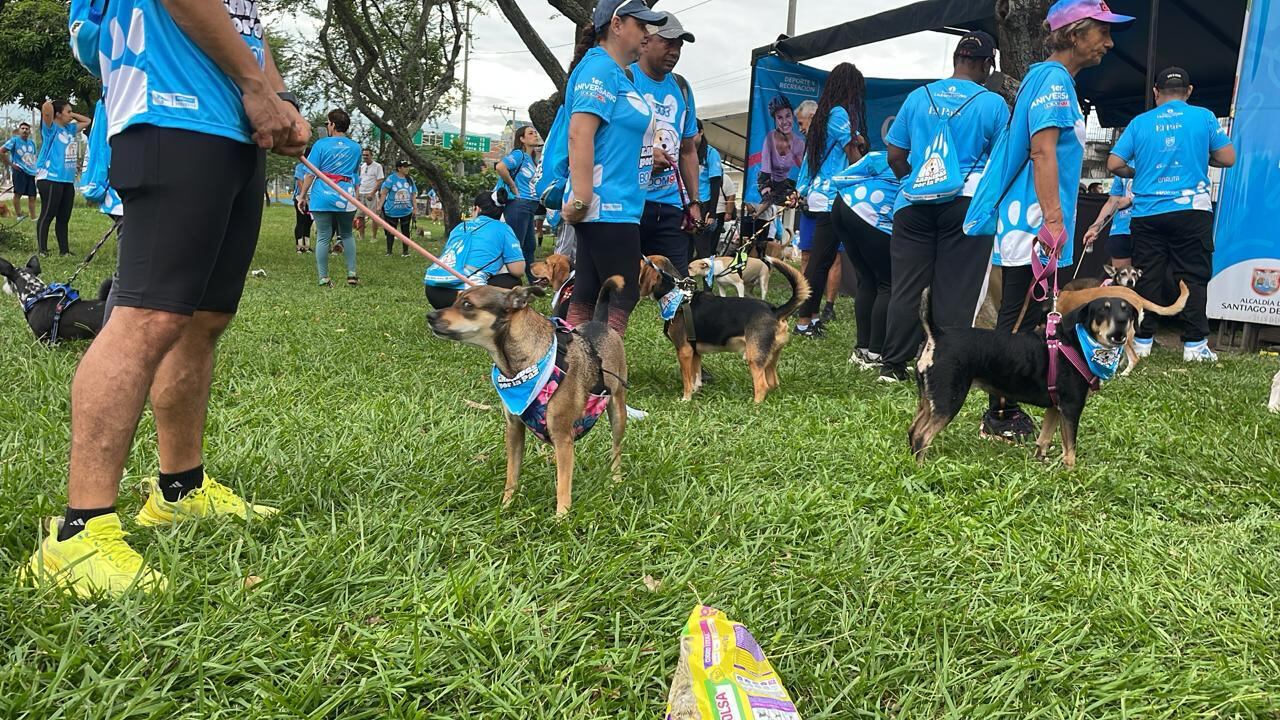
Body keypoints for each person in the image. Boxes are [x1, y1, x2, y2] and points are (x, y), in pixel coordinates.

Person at [25, 0, 306, 598]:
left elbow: (247, 25)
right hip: (170, 112)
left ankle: (180, 489)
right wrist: (256, 87)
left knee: (204, 318)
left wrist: (280, 100)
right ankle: (78, 536)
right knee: (145, 316)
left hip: (232, 128)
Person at [976, 1, 1133, 438]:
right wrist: (1054, 220)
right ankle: (1000, 413)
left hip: (1031, 221)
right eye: (1102, 31)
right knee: (1018, 320)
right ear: (1075, 34)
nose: (1109, 43)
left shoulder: (1048, 79)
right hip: (1033, 223)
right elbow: (1042, 150)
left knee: (1022, 316)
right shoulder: (1054, 80)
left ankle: (1005, 408)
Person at [878, 32, 1010, 379]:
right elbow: (1001, 161)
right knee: (957, 288)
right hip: (965, 204)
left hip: (912, 204)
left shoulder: (918, 97)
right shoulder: (993, 104)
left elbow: (895, 155)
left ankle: (893, 364)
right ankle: (944, 364)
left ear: (955, 60)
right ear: (987, 64)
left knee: (907, 286)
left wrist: (912, 182)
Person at [1109, 66, 1234, 362]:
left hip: (1147, 212)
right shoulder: (1204, 117)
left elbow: (1114, 163)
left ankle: (1142, 340)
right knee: (1193, 275)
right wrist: (1203, 158)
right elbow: (1228, 158)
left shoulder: (1140, 122)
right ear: (1188, 92)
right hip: (1191, 210)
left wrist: (1136, 172)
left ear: (1156, 93)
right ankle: (1195, 345)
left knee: (1147, 275)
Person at [559, 0, 664, 335]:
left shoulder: (616, 74)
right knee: (623, 293)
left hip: (616, 204)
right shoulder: (600, 68)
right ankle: (604, 365)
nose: (647, 34)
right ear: (616, 25)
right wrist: (582, 197)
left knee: (588, 292)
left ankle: (573, 360)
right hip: (607, 205)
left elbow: (610, 136)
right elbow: (579, 133)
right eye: (641, 25)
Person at [791, 62, 868, 338]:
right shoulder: (838, 114)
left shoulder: (825, 116)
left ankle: (811, 319)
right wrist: (868, 172)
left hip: (820, 196)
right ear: (848, 87)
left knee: (820, 261)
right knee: (819, 262)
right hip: (830, 197)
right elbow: (852, 155)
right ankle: (803, 322)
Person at [631, 11, 701, 275]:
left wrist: (694, 203)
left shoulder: (682, 88)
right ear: (645, 40)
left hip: (671, 207)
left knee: (678, 287)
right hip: (629, 203)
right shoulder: (625, 79)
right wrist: (645, 158)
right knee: (623, 285)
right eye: (668, 43)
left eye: (679, 46)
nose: (675, 51)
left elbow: (688, 150)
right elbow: (603, 144)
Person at [831, 149, 900, 367]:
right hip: (871, 209)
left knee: (866, 279)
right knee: (888, 283)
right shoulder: (920, 158)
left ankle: (862, 349)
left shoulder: (883, 155)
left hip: (843, 202)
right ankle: (875, 353)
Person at [424, 190, 525, 309]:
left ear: (477, 209)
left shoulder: (460, 227)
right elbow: (518, 270)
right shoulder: (504, 229)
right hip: (466, 297)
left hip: (433, 291)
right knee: (514, 282)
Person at [299, 109, 361, 286]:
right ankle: (352, 274)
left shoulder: (320, 145)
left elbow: (310, 173)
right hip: (345, 195)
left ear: (332, 124)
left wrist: (302, 196)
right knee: (347, 234)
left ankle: (324, 278)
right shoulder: (356, 147)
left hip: (323, 194)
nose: (327, 126)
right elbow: (354, 172)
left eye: (328, 123)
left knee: (323, 236)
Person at [35, 99, 92, 256]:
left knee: (64, 217)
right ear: (58, 114)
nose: (71, 115)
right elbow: (46, 107)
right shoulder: (50, 129)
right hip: (50, 178)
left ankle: (64, 251)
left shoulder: (70, 129)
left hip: (67, 180)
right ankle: (42, 250)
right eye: (68, 111)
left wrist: (71, 114)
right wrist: (52, 104)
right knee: (48, 214)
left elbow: (87, 121)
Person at [497, 125, 544, 281]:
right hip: (519, 205)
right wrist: (512, 186)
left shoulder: (532, 160)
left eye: (535, 132)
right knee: (515, 245)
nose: (535, 135)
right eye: (530, 133)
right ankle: (506, 280)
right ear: (522, 139)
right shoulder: (519, 155)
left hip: (529, 207)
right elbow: (501, 167)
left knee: (529, 246)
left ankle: (533, 281)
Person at [758, 95, 805, 201]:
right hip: (769, 184)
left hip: (786, 185)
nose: (784, 121)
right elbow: (765, 168)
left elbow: (805, 171)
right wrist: (765, 189)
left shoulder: (799, 143)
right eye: (779, 117)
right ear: (775, 120)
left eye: (788, 116)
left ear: (793, 116)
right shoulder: (769, 139)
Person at [1084, 174, 1133, 267]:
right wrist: (1094, 227)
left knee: (1150, 274)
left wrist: (1132, 200)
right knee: (1121, 275)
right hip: (1121, 229)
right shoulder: (1122, 169)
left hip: (1146, 227)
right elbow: (1112, 202)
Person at [694, 127, 723, 261]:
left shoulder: (711, 153)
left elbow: (715, 183)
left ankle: (708, 274)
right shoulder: (684, 151)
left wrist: (712, 212)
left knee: (702, 247)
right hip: (685, 202)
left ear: (701, 132)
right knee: (686, 245)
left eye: (693, 132)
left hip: (703, 203)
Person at [379, 160, 417, 256]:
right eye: (405, 167)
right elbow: (384, 193)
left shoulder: (410, 179)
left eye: (408, 166)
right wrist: (379, 206)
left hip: (406, 210)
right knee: (391, 231)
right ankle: (389, 251)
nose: (407, 169)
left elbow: (413, 194)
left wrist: (415, 208)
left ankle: (405, 252)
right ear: (399, 168)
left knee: (406, 231)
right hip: (392, 210)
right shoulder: (391, 179)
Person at [1, 122, 39, 218]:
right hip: (19, 170)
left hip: (30, 172)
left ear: (30, 131)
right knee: (18, 193)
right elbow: (2, 151)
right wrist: (10, 164)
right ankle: (19, 215)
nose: (25, 130)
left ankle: (33, 217)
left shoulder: (32, 143)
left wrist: (36, 169)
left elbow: (34, 157)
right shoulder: (14, 140)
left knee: (32, 196)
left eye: (27, 129)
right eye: (22, 128)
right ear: (19, 131)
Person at [356, 148, 384, 242]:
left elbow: (380, 180)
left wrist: (372, 193)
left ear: (371, 156)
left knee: (374, 216)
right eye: (363, 155)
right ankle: (361, 236)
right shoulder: (362, 166)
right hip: (361, 193)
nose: (365, 157)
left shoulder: (377, 166)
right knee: (360, 216)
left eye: (367, 155)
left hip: (371, 194)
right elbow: (359, 180)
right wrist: (357, 193)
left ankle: (374, 237)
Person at [293, 158, 313, 253]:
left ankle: (307, 246)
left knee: (309, 222)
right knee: (301, 221)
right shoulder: (300, 167)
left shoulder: (315, 167)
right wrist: (303, 196)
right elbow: (299, 181)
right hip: (300, 198)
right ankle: (299, 246)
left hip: (312, 199)